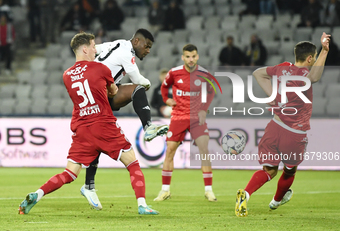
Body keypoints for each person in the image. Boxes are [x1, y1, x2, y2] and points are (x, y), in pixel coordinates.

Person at [18, 32, 159, 215]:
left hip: (82, 128)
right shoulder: (101, 69)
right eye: (93, 47)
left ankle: (37, 194)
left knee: (69, 173)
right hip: (103, 124)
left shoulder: (67, 75)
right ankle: (142, 205)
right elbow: (113, 91)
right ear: (85, 49)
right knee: (132, 164)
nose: (96, 50)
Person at [235, 32, 330, 217]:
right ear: (310, 58)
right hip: (294, 133)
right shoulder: (305, 74)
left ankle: (245, 194)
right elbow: (315, 77)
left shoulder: (283, 68)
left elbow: (257, 73)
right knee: (289, 170)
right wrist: (325, 51)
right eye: (315, 57)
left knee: (269, 170)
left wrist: (271, 96)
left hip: (274, 127)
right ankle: (276, 201)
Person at [80, 29, 169, 210]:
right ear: (136, 41)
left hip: (100, 93)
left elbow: (94, 48)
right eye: (147, 46)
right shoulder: (125, 52)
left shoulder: (117, 43)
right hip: (97, 96)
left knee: (97, 136)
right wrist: (148, 83)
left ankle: (89, 185)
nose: (148, 50)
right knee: (139, 87)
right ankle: (88, 185)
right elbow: (137, 78)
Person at [153, 44, 217, 202]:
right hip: (178, 117)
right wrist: (166, 99)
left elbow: (211, 91)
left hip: (197, 118)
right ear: (183, 57)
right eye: (187, 56)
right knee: (170, 151)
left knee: (204, 150)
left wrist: (204, 108)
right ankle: (165, 190)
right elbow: (163, 87)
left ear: (197, 56)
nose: (191, 59)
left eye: (193, 56)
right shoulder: (174, 73)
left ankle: (209, 190)